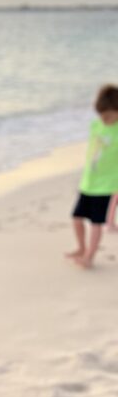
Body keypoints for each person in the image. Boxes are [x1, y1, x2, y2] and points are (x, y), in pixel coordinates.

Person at [66, 84, 118, 265]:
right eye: (101, 115)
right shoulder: (95, 125)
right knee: (76, 217)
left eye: (108, 115)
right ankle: (81, 247)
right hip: (88, 182)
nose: (104, 119)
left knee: (96, 223)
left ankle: (89, 256)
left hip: (107, 186)